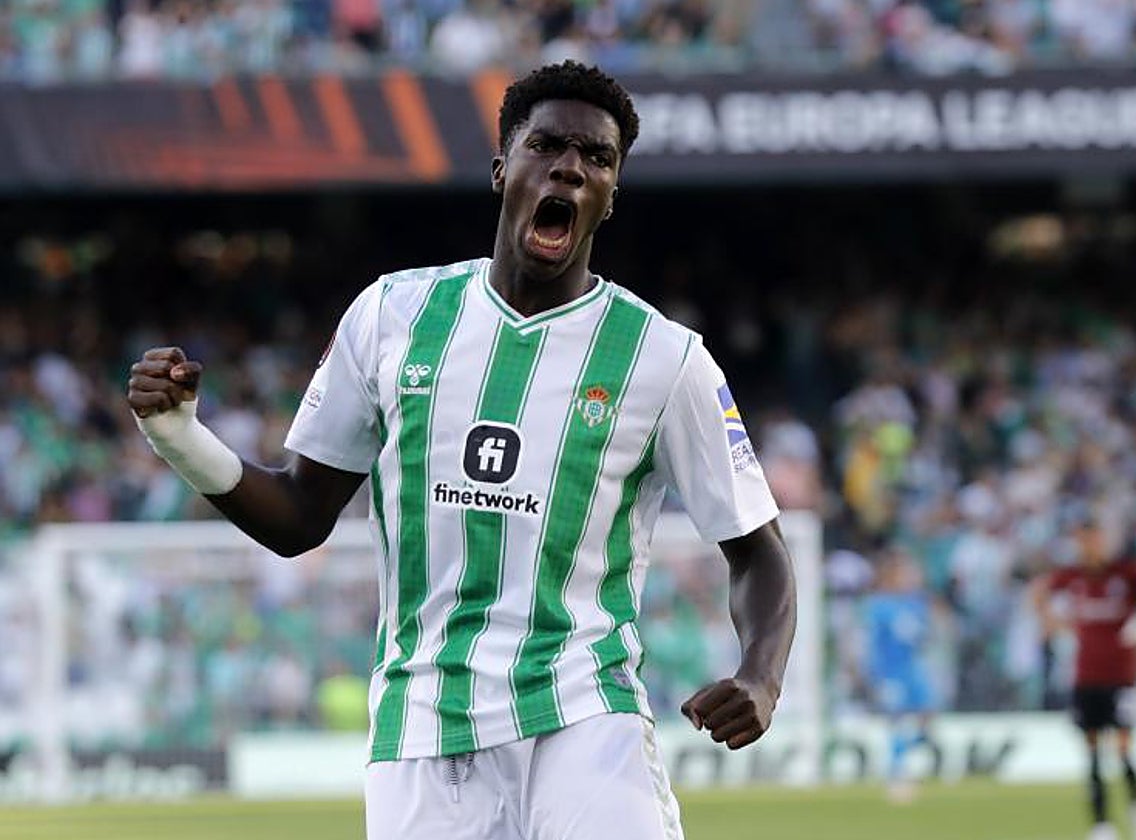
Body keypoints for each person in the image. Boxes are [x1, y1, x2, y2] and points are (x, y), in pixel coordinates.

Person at [126, 60, 796, 840]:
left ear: (610, 198)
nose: (572, 169)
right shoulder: (391, 316)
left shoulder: (664, 358)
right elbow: (299, 517)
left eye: (599, 159)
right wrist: (180, 439)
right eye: (547, 147)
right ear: (501, 169)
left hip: (583, 714)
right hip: (419, 729)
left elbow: (759, 548)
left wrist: (762, 677)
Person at [1031, 516, 1136, 840]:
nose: (1090, 547)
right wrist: (1054, 623)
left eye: (1094, 539)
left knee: (1124, 748)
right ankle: (1102, 825)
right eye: (1083, 540)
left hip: (1123, 676)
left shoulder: (1127, 573)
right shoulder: (1071, 577)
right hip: (1087, 676)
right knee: (1093, 752)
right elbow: (1038, 594)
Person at [862, 546, 937, 802]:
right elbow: (871, 643)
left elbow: (924, 637)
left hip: (913, 670)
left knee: (927, 718)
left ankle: (905, 759)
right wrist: (874, 675)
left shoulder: (916, 603)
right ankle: (896, 775)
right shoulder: (878, 606)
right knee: (897, 722)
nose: (908, 578)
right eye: (903, 573)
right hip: (890, 673)